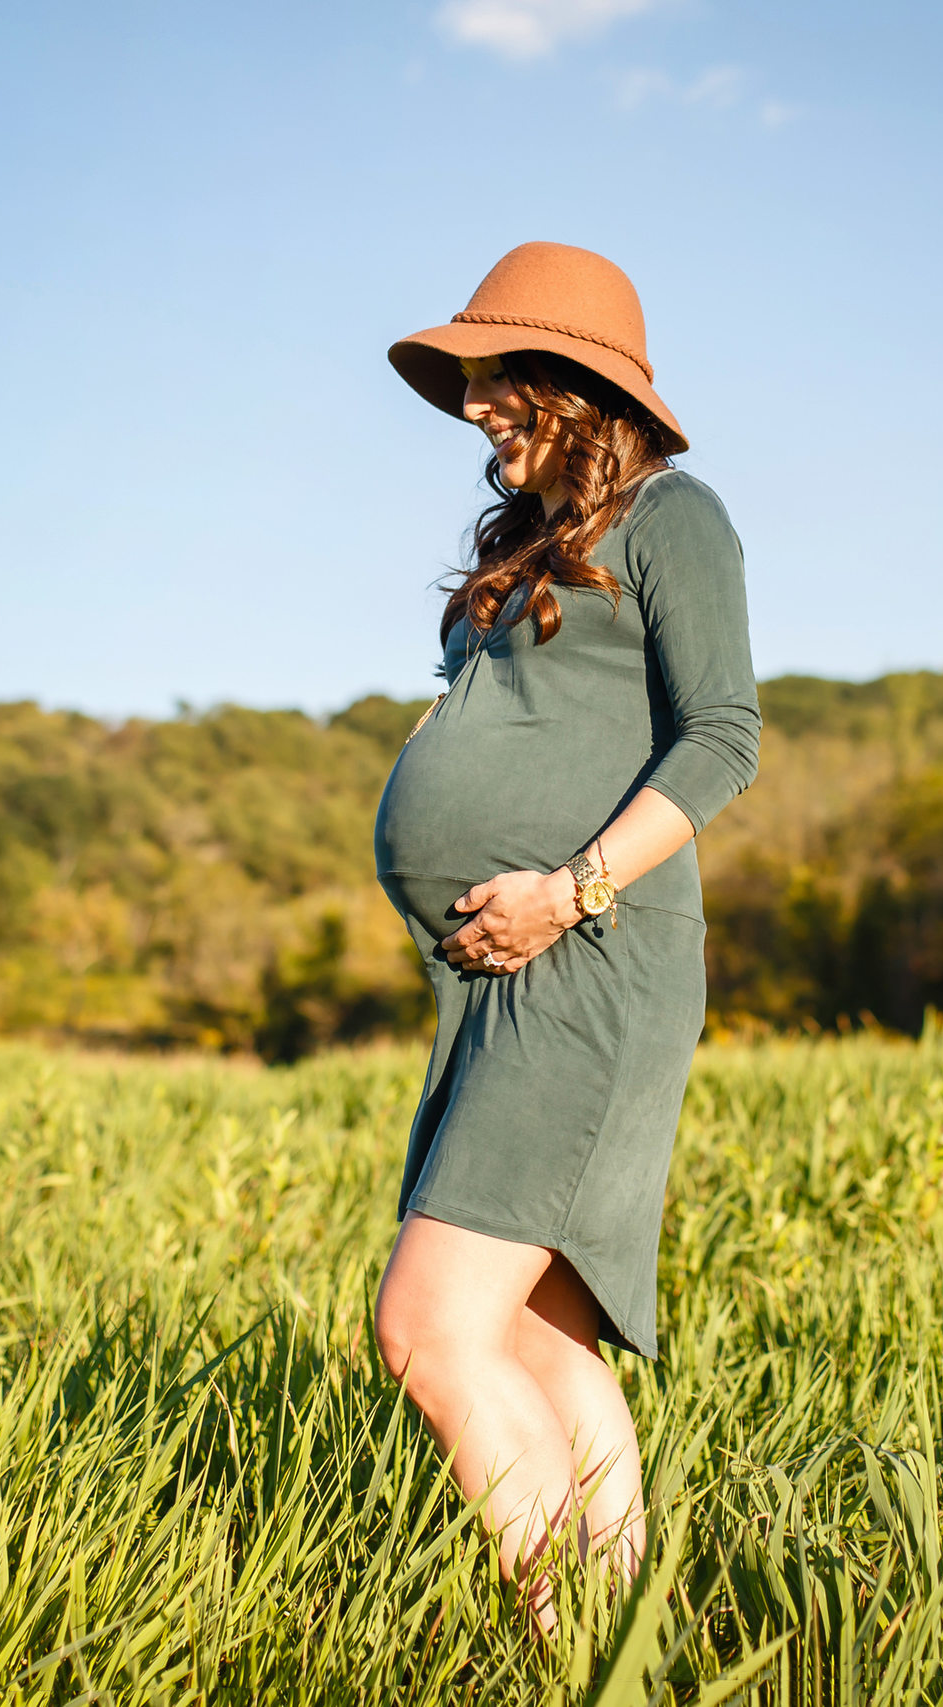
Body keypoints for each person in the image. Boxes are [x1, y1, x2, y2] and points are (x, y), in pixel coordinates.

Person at [370, 241, 762, 1618]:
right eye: (469, 382)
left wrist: (568, 888)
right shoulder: (535, 545)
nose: (475, 406)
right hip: (497, 980)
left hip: (591, 957)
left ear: (572, 383)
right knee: (542, 1336)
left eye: (495, 378)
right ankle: (615, 1646)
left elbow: (724, 741)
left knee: (426, 1327)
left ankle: (566, 1638)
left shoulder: (672, 516)